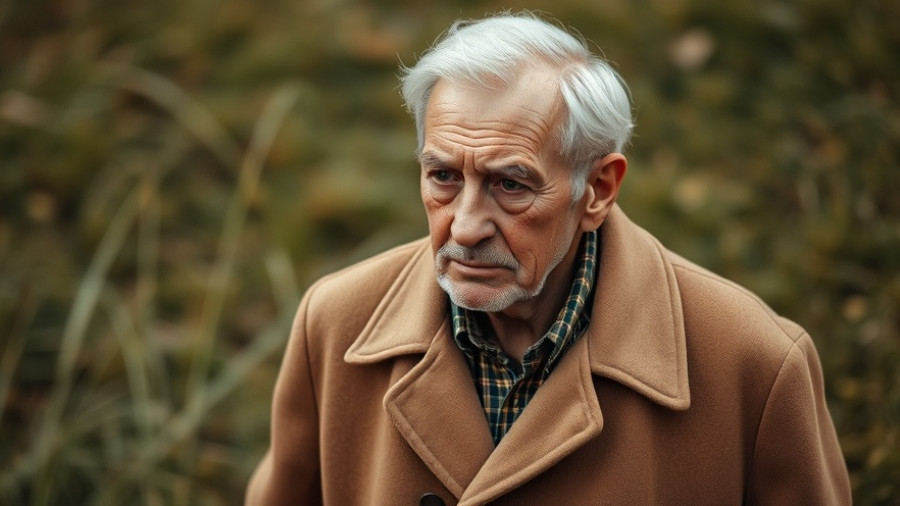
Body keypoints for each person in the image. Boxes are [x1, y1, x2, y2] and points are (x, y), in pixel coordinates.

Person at [245, 12, 850, 506]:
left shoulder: (756, 366)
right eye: (443, 176)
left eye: (511, 184)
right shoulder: (335, 322)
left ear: (598, 190)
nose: (465, 224)